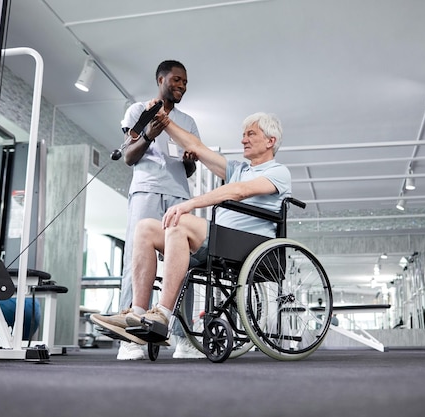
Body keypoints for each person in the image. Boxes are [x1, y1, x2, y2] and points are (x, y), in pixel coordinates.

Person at [91, 107, 291, 345]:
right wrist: (164, 120)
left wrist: (189, 204)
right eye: (244, 134)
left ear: (271, 141)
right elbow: (195, 147)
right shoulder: (238, 169)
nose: (243, 139)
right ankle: (138, 312)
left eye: (250, 134)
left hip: (245, 244)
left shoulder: (278, 171)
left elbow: (239, 191)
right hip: (219, 241)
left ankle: (162, 314)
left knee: (180, 220)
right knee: (144, 227)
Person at [106, 60, 203, 360]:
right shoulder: (138, 111)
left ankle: (182, 338)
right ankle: (131, 338)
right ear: (160, 79)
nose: (182, 86)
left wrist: (189, 160)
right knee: (135, 260)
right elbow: (129, 157)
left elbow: (188, 170)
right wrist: (149, 133)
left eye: (185, 82)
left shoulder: (188, 122)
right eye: (176, 79)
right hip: (146, 190)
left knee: (182, 264)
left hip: (178, 195)